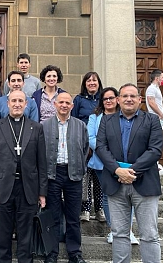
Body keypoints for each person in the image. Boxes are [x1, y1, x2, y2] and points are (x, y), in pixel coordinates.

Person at [96, 83, 163, 263]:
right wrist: (117, 170)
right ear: (118, 100)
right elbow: (101, 148)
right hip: (115, 183)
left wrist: (131, 171)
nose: (129, 99)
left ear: (139, 100)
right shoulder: (106, 121)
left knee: (149, 234)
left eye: (133, 96)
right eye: (125, 96)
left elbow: (155, 150)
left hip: (145, 183)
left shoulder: (152, 120)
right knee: (119, 234)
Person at [0, 90, 47, 263]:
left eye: (21, 101)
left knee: (26, 236)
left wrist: (42, 192)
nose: (17, 104)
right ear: (8, 103)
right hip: (4, 188)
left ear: (26, 104)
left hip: (28, 188)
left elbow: (42, 163)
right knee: (3, 236)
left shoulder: (37, 128)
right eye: (14, 101)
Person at [87, 87, 138, 245]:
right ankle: (113, 230)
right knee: (107, 197)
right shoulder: (95, 117)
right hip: (101, 163)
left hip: (123, 163)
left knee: (127, 195)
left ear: (117, 99)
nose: (108, 101)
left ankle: (128, 231)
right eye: (105, 99)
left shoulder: (124, 117)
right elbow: (90, 138)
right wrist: (107, 153)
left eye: (111, 98)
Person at [42, 92, 88, 263]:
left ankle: (74, 252)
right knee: (53, 216)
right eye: (60, 102)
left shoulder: (80, 125)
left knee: (73, 216)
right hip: (52, 174)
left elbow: (84, 149)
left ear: (72, 106)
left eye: (67, 102)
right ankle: (51, 253)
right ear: (54, 104)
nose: (64, 105)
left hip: (73, 174)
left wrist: (78, 166)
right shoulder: (45, 126)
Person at [71, 71, 103, 223]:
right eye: (88, 80)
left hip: (100, 143)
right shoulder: (79, 99)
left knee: (98, 177)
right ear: (84, 83)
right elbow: (74, 119)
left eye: (94, 80)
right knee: (85, 177)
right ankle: (85, 208)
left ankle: (100, 208)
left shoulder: (103, 99)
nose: (91, 83)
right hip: (82, 143)